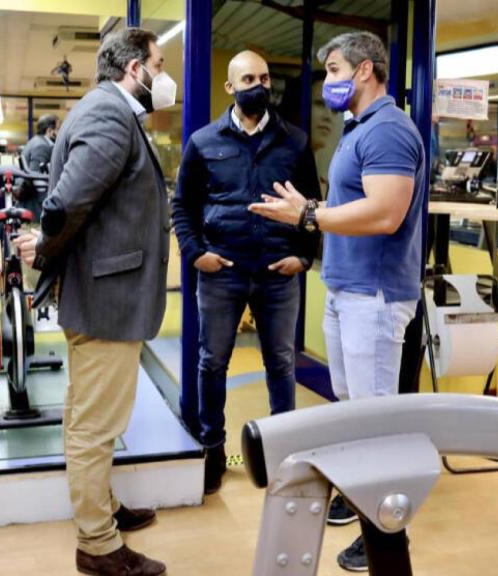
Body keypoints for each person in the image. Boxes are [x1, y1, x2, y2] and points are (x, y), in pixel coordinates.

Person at [248, 30, 426, 572]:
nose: (328, 83)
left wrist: (307, 216)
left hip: (373, 294)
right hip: (346, 286)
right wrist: (315, 206)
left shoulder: (390, 130)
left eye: (333, 71)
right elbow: (355, 205)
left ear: (366, 70)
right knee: (352, 409)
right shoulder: (360, 129)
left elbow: (385, 214)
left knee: (372, 419)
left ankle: (385, 529)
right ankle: (360, 499)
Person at [14, 27, 174, 576]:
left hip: (106, 290)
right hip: (108, 296)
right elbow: (67, 204)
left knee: (89, 415)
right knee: (95, 426)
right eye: (159, 61)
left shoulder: (113, 111)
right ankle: (98, 545)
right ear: (135, 68)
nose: (164, 72)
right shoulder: (109, 115)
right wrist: (44, 248)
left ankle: (101, 508)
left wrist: (49, 246)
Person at [171, 50, 320, 495]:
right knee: (212, 361)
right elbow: (183, 205)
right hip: (222, 270)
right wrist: (196, 253)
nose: (259, 84)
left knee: (281, 362)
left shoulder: (294, 141)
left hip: (278, 271)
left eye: (265, 76)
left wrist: (305, 256)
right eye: (249, 78)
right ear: (230, 87)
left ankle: (281, 452)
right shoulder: (203, 141)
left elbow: (313, 206)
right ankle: (212, 449)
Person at [20, 114, 58, 222]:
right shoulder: (42, 146)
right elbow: (35, 176)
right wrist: (46, 205)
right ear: (50, 130)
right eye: (58, 129)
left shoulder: (33, 142)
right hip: (35, 206)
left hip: (30, 202)